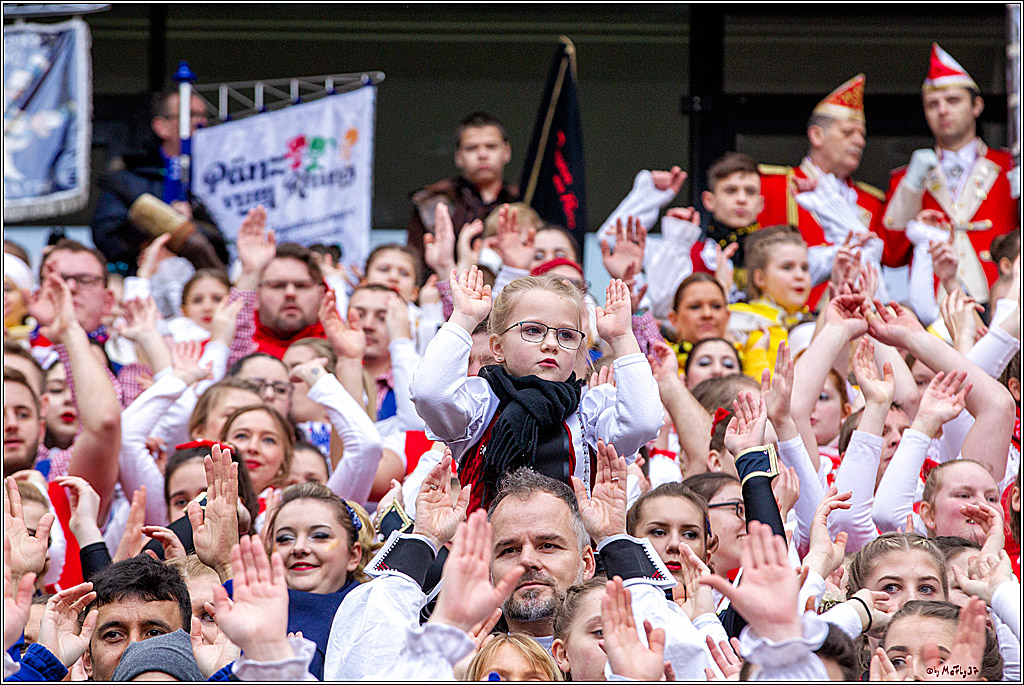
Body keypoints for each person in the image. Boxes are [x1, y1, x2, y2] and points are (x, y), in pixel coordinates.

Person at [411, 268, 662, 511]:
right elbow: (430, 394)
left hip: (568, 551)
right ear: (497, 348)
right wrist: (462, 320)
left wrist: (622, 338)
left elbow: (643, 423)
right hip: (490, 549)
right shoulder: (480, 405)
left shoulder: (590, 412)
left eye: (566, 335)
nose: (551, 344)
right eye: (533, 330)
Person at [879, 44, 1018, 304]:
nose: (942, 110)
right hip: (935, 306)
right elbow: (890, 253)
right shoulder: (905, 178)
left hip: (1003, 297)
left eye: (953, 101)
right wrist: (911, 186)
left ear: (977, 106)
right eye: (933, 104)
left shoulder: (1010, 166)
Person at [757, 74, 886, 308]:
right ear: (816, 135)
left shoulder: (871, 202)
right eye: (848, 132)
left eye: (862, 135)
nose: (859, 141)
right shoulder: (773, 185)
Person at [90, 89, 229, 275]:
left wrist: (193, 221)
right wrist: (162, 220)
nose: (199, 122)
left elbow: (228, 243)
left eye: (204, 115)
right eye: (189, 115)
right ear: (161, 126)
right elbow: (107, 239)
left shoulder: (220, 175)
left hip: (205, 289)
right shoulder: (129, 178)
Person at [407, 112, 518, 257]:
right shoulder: (432, 203)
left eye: (491, 146)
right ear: (459, 157)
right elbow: (415, 263)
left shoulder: (525, 199)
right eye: (472, 148)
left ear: (506, 152)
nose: (482, 155)